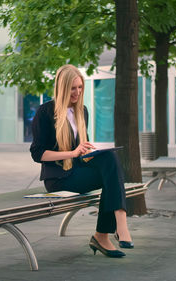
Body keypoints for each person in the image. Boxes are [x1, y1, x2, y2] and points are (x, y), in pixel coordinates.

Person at [30, 64, 133, 258]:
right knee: (110, 176)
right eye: (72, 88)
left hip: (77, 171)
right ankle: (105, 234)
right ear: (62, 87)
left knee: (110, 159)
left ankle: (118, 225)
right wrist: (73, 153)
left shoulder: (82, 111)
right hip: (58, 178)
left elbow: (79, 149)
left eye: (80, 87)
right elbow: (37, 154)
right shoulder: (45, 112)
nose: (77, 92)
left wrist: (86, 151)